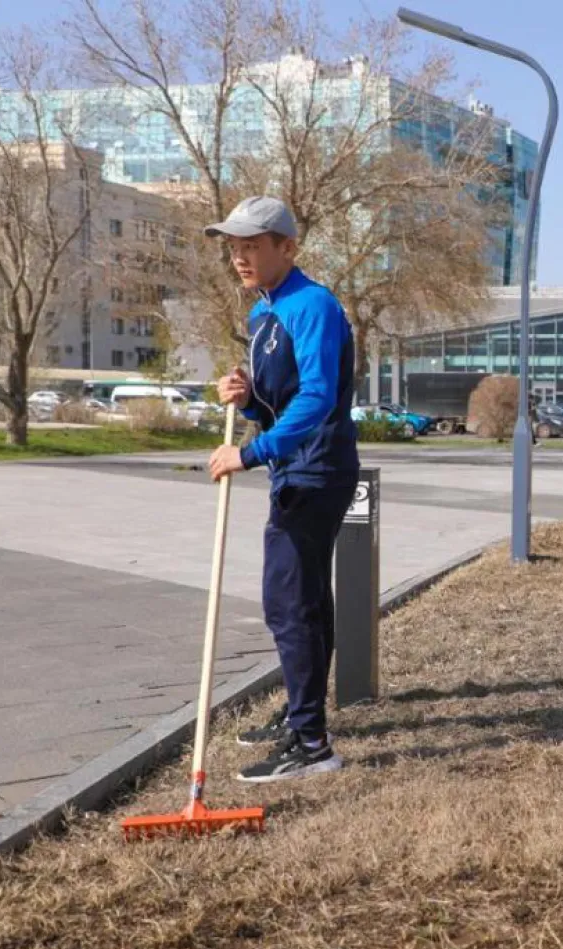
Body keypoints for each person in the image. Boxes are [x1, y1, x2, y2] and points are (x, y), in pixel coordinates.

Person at [203, 195, 360, 782]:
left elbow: (319, 400)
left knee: (289, 603)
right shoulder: (263, 313)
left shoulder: (311, 304)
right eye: (235, 247)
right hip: (295, 471)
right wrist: (249, 396)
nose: (240, 257)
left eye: (252, 246)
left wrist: (249, 453)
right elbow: (282, 402)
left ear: (287, 248)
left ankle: (312, 744)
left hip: (316, 472)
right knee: (306, 601)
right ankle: (303, 715)